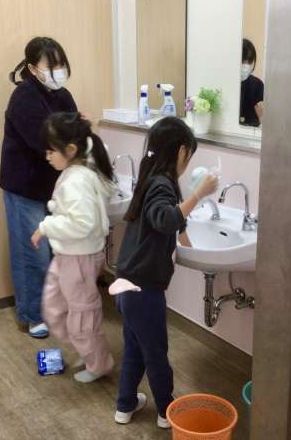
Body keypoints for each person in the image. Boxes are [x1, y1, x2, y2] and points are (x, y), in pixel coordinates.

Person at [112, 117, 219, 428]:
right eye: (190, 156)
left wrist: (191, 248)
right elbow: (166, 219)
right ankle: (165, 411)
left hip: (126, 282)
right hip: (143, 290)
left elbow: (175, 223)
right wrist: (199, 194)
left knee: (135, 349)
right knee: (156, 352)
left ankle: (125, 405)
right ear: (182, 151)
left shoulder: (151, 179)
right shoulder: (162, 183)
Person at [0, 37, 77, 339]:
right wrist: (73, 135)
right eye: (52, 65)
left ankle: (54, 308)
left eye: (61, 64)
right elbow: (44, 141)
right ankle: (33, 315)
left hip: (54, 186)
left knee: (56, 250)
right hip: (25, 186)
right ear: (33, 69)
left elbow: (73, 133)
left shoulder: (63, 95)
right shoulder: (24, 97)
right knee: (32, 252)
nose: (59, 70)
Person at [31, 112, 115, 383]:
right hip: (68, 255)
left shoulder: (77, 180)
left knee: (82, 315)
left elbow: (82, 224)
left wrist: (46, 226)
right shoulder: (76, 170)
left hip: (79, 259)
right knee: (53, 305)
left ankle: (98, 363)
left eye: (50, 151)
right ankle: (85, 348)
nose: (47, 157)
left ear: (70, 150)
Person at [240, 38, 264, 127]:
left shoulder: (258, 85)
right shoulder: (227, 83)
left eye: (249, 62)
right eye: (243, 61)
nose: (246, 65)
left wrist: (262, 117)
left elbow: (263, 120)